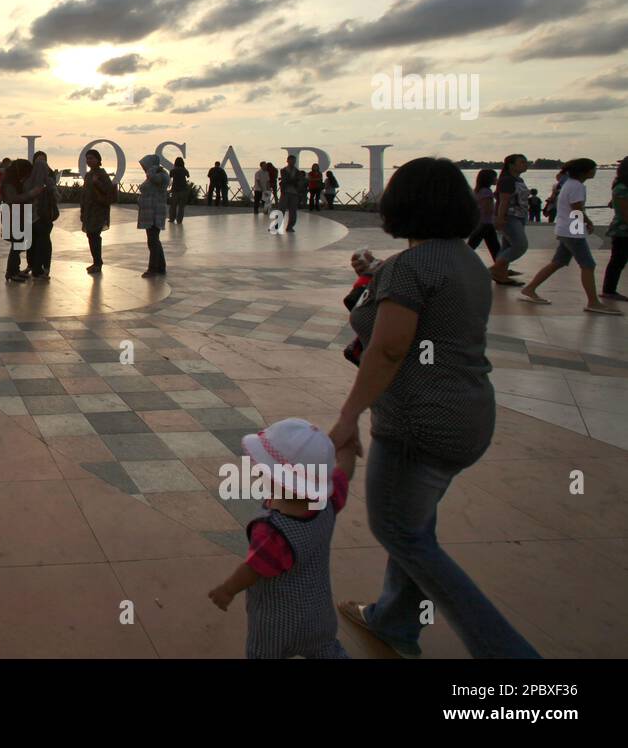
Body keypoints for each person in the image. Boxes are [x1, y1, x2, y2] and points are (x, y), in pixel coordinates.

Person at [331, 156, 539, 659]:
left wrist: (348, 416)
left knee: (399, 530)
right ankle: (394, 622)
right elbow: (430, 310)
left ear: (400, 206)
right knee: (415, 523)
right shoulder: (464, 260)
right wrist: (382, 275)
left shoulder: (410, 269)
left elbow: (389, 348)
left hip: (420, 424)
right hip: (469, 416)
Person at [209, 418, 355, 659]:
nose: (258, 471)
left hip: (276, 625)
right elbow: (344, 472)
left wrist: (227, 589)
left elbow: (253, 569)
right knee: (326, 651)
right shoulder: (329, 500)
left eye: (264, 469)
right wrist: (348, 447)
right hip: (319, 615)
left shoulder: (272, 532)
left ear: (281, 481)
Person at [518, 159, 621, 314]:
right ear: (584, 171)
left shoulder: (570, 184)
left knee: (558, 262)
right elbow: (577, 208)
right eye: (593, 168)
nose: (595, 171)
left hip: (566, 229)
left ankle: (530, 288)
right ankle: (593, 302)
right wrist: (587, 222)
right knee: (588, 265)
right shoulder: (577, 186)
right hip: (572, 231)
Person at [489, 153, 529, 286]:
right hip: (510, 217)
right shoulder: (507, 180)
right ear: (511, 165)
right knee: (520, 245)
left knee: (507, 246)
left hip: (519, 216)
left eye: (525, 162)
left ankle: (501, 274)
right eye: (522, 162)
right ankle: (494, 270)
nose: (525, 164)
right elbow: (503, 201)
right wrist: (500, 218)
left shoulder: (518, 180)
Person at [1, 159, 43, 283]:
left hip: (17, 214)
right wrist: (32, 193)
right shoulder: (9, 182)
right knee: (16, 244)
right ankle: (11, 272)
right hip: (13, 215)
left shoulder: (13, 180)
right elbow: (13, 199)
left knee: (18, 244)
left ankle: (15, 270)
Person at [80, 148, 112, 274]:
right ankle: (96, 262)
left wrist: (97, 183)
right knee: (91, 235)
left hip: (99, 210)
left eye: (91, 158)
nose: (89, 161)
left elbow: (108, 191)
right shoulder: (88, 175)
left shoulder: (102, 174)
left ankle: (98, 263)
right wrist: (82, 210)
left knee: (94, 235)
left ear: (98, 160)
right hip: (88, 210)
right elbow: (84, 194)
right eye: (87, 158)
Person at [601, 156, 628, 302]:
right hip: (622, 231)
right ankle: (609, 290)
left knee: (619, 260)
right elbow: (625, 214)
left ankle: (609, 290)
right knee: (618, 261)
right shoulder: (622, 188)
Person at [28, 151, 59, 279]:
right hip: (31, 215)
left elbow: (56, 196)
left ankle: (43, 268)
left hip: (44, 214)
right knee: (32, 242)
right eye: (38, 161)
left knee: (43, 242)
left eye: (43, 161)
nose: (41, 164)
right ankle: (33, 266)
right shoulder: (29, 175)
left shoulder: (49, 177)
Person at [138, 154, 168, 277]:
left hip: (155, 213)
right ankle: (160, 266)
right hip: (148, 213)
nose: (144, 169)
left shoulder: (160, 176)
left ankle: (153, 268)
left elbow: (155, 180)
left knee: (153, 241)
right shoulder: (153, 176)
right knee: (154, 240)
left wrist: (152, 170)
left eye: (145, 166)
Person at [465, 168, 501, 260]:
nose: (496, 179)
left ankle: (500, 266)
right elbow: (487, 209)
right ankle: (500, 267)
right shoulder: (486, 192)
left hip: (482, 223)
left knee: (493, 247)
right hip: (485, 223)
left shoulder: (478, 191)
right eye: (495, 177)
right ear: (489, 179)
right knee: (493, 247)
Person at [279, 155, 304, 232]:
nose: (292, 162)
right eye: (291, 160)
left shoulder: (297, 172)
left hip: (294, 193)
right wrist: (294, 181)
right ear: (287, 161)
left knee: (293, 211)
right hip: (285, 192)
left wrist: (293, 181)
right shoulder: (283, 170)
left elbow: (299, 181)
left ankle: (290, 226)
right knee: (281, 209)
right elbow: (285, 180)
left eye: (294, 161)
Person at [168, 157, 190, 224]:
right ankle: (179, 220)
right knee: (181, 206)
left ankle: (172, 219)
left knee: (173, 205)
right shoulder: (184, 170)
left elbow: (170, 176)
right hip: (183, 189)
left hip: (175, 189)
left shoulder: (173, 170)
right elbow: (188, 176)